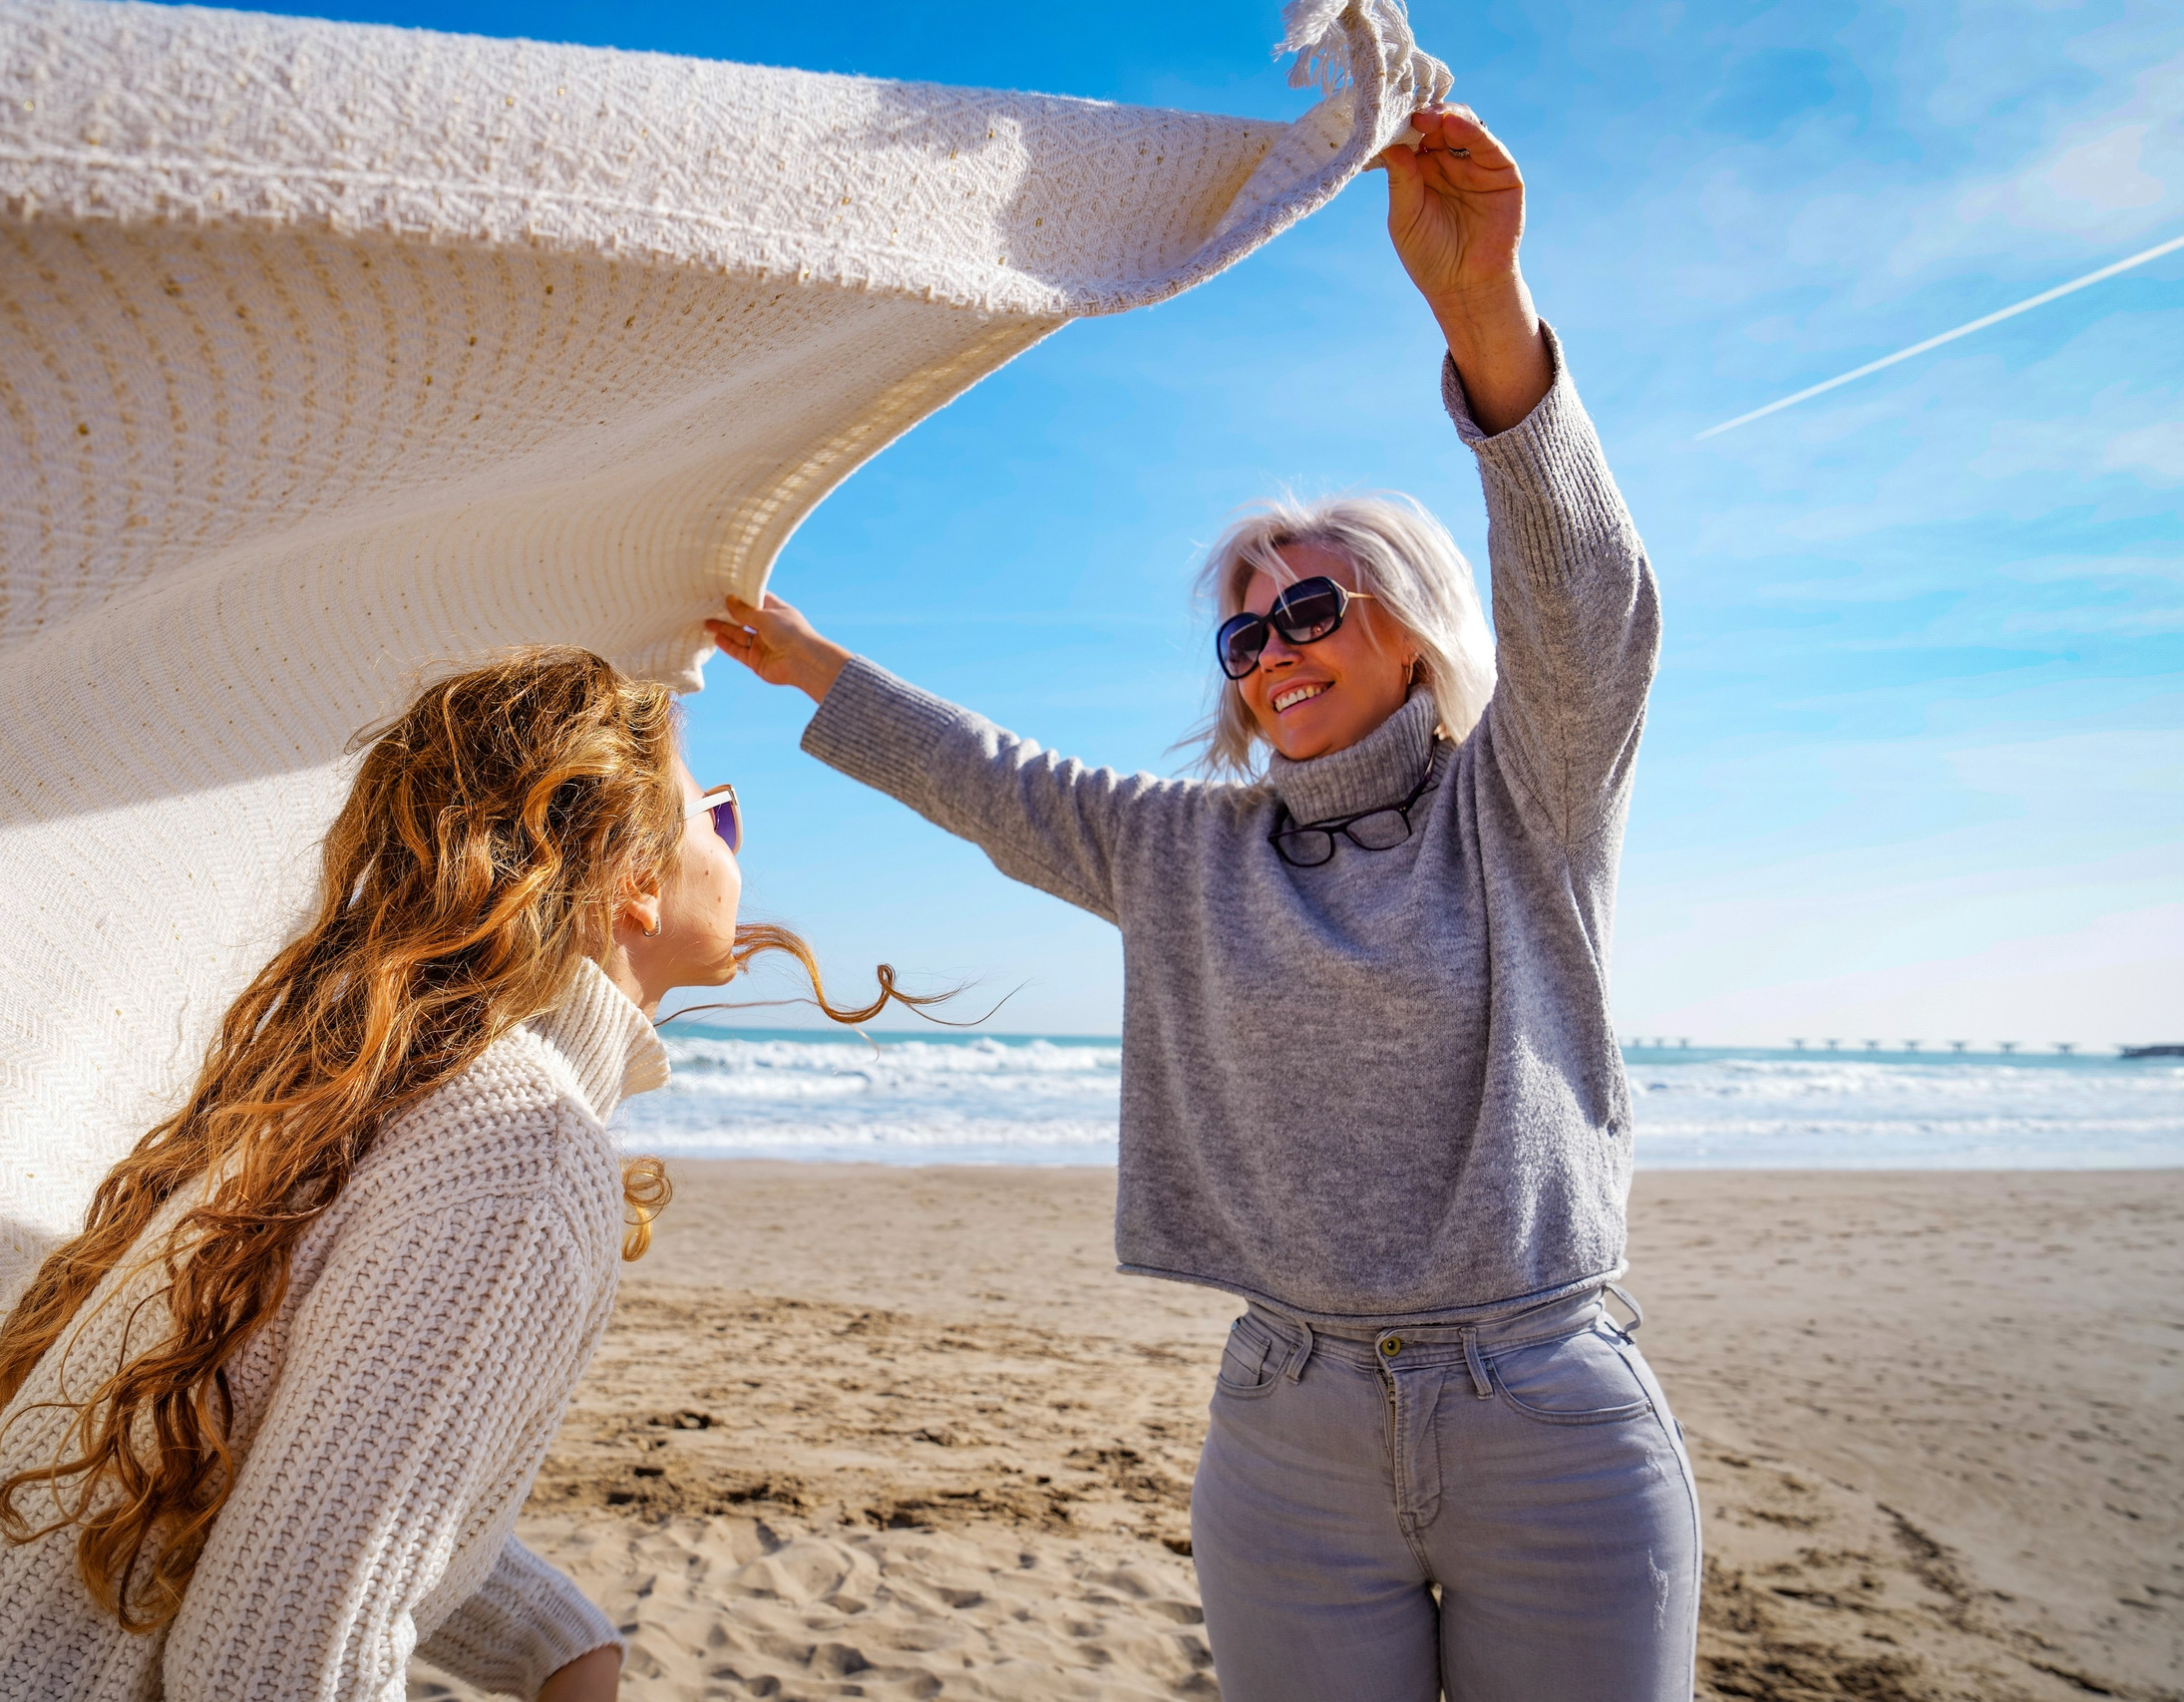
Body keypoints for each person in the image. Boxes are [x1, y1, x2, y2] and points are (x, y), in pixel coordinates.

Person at [705, 105, 1698, 1701]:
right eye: (1243, 636)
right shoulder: (1187, 850)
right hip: (1288, 1430)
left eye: (1311, 604)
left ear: (1416, 629)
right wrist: (812, 664)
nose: (1275, 648)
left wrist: (1482, 314)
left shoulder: (1525, 804)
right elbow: (996, 779)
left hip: (1549, 1415)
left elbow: (1588, 608)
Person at [0, 647, 927, 1702]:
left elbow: (319, 1477)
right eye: (720, 815)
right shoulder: (521, 1151)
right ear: (635, 878)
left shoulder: (385, 1093)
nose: (739, 844)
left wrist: (556, 1633)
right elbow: (274, 1663)